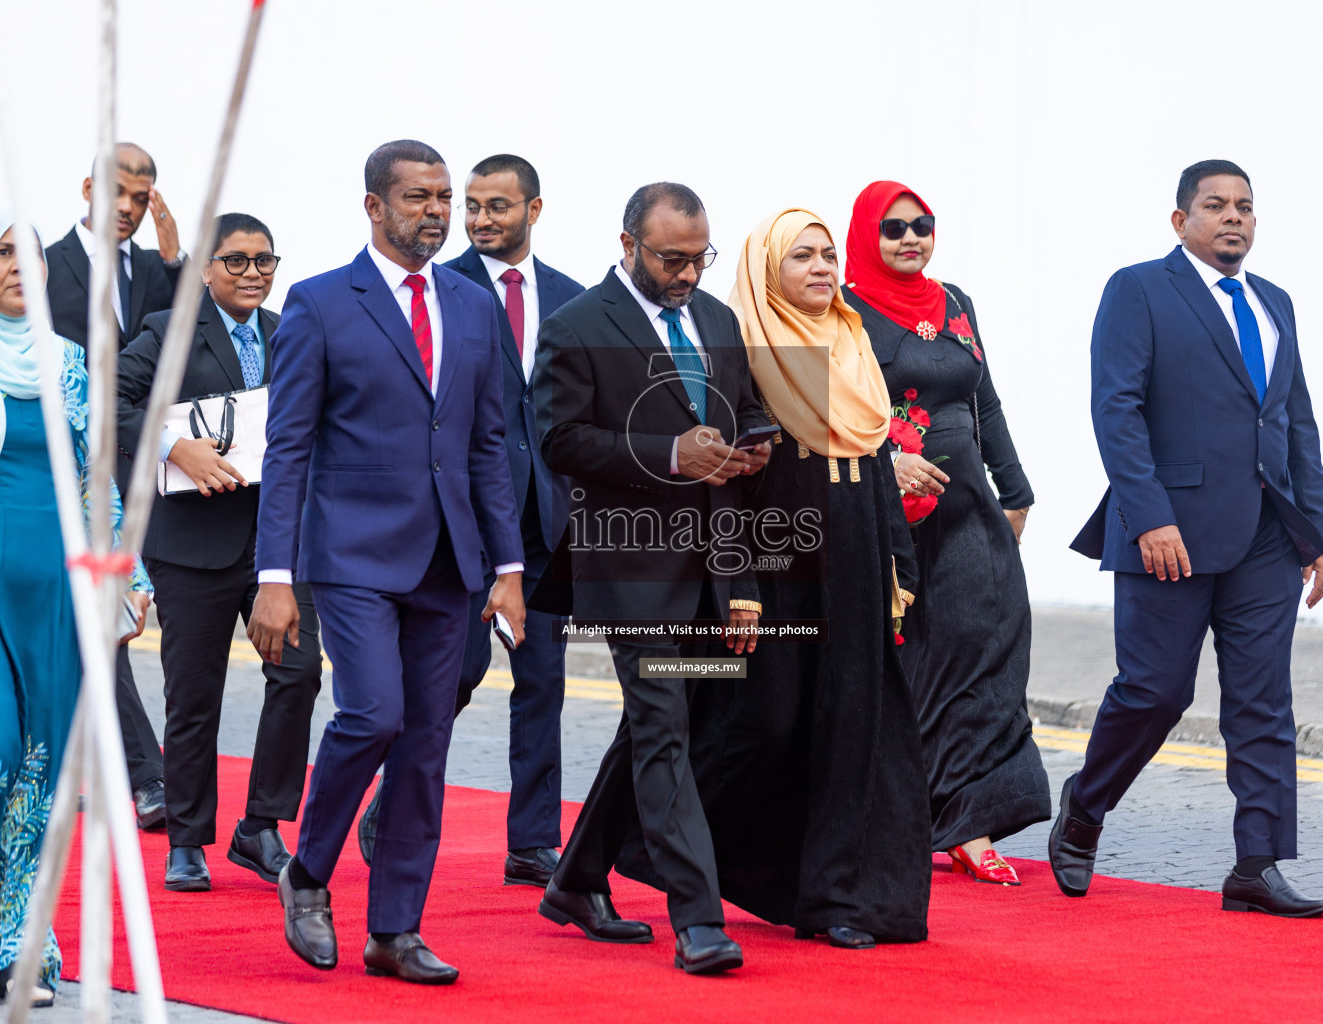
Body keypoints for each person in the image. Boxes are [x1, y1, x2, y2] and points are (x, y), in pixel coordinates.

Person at [248, 139, 526, 985]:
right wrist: (274, 577)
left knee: (427, 746)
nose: (437, 211)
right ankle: (308, 869)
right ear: (374, 205)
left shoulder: (474, 310)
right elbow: (287, 446)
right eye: (418, 197)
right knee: (373, 716)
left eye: (444, 196)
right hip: (354, 556)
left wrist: (507, 564)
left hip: (451, 562)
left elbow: (486, 447)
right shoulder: (321, 303)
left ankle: (395, 929)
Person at [1057, 160, 1323, 917]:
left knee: (1262, 701)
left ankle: (1256, 864)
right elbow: (1114, 408)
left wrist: (1322, 534)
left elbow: (1295, 425)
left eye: (1245, 206)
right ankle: (1085, 806)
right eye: (1214, 205)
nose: (1233, 218)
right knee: (1155, 692)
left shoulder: (1274, 302)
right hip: (1169, 533)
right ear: (1179, 219)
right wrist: (1149, 515)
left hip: (1266, 538)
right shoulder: (1139, 289)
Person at [656, 209, 930, 949]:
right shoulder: (744, 347)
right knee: (762, 721)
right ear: (767, 269)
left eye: (828, 253)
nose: (820, 267)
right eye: (800, 256)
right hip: (776, 552)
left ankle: (833, 897)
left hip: (858, 548)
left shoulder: (852, 340)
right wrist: (735, 576)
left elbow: (873, 460)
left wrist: (899, 563)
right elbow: (725, 482)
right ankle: (675, 847)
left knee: (852, 725)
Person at [532, 182, 769, 976]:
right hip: (627, 565)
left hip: (711, 567)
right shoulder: (574, 328)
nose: (687, 274)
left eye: (698, 257)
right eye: (671, 258)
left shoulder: (718, 322)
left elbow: (740, 424)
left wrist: (753, 453)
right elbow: (562, 441)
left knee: (660, 728)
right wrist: (670, 456)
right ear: (628, 242)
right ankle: (698, 920)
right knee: (664, 728)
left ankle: (576, 878)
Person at [0, 209, 151, 1007]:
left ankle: (9, 935)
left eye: (31, 256)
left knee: (39, 766)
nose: (20, 267)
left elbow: (97, 477)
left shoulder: (68, 364)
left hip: (53, 588)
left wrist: (131, 575)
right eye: (0, 254)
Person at [357, 155, 585, 885]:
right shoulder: (440, 291)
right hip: (460, 520)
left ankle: (532, 841)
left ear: (534, 211)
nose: (481, 219)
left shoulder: (574, 301)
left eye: (497, 207)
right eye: (474, 206)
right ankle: (394, 795)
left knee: (543, 681)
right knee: (453, 673)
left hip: (546, 523)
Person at [843, 181, 1049, 884]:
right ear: (866, 234)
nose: (910, 237)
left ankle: (970, 820)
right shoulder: (843, 310)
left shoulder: (956, 302)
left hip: (966, 510)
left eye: (921, 225)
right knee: (899, 667)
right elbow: (827, 412)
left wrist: (1015, 492)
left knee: (986, 649)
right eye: (893, 227)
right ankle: (895, 816)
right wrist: (884, 463)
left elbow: (982, 400)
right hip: (884, 515)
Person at [115, 213, 323, 894]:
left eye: (264, 260)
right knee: (194, 695)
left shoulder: (289, 330)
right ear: (205, 269)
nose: (253, 273)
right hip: (192, 546)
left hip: (278, 546)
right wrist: (175, 446)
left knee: (298, 675)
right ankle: (187, 839)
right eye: (236, 261)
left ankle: (260, 825)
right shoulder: (169, 332)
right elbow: (108, 400)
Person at [45, 141, 177, 830]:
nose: (127, 207)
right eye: (116, 191)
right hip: (77, 473)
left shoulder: (159, 271)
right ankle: (149, 775)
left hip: (158, 470)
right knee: (103, 618)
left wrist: (176, 254)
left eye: (141, 195)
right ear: (87, 186)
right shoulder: (42, 267)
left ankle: (153, 770)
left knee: (142, 621)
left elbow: (193, 339)